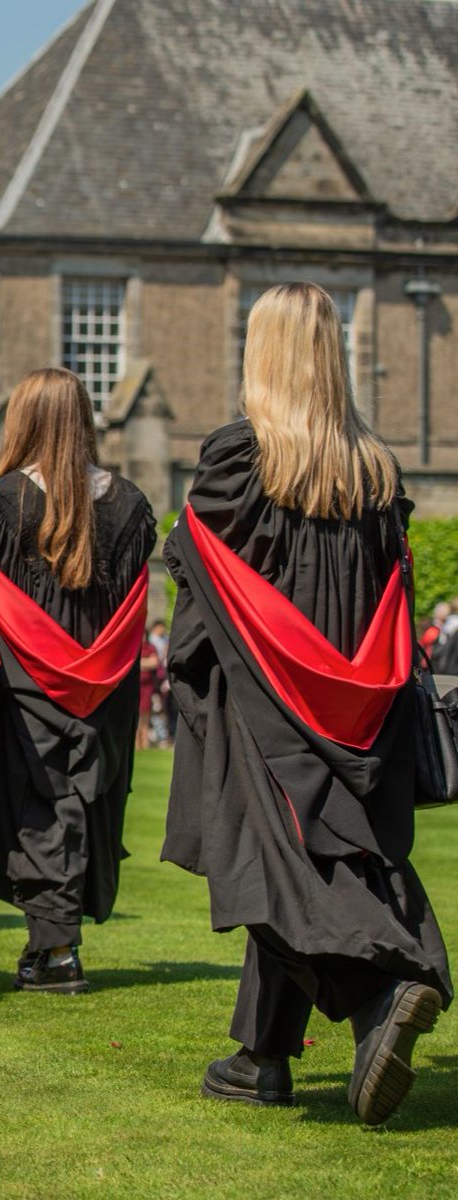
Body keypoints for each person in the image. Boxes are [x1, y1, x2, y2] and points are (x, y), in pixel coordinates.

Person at [162, 282, 450, 1125]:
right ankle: (262, 1059)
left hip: (266, 699)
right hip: (357, 700)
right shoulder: (375, 472)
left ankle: (385, 984)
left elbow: (198, 578)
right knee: (311, 856)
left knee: (275, 868)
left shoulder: (239, 461)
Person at [0, 367, 155, 992]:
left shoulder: (5, 502)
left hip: (26, 679)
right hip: (104, 682)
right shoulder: (130, 504)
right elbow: (134, 603)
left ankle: (57, 949)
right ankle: (51, 944)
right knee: (82, 800)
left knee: (38, 803)